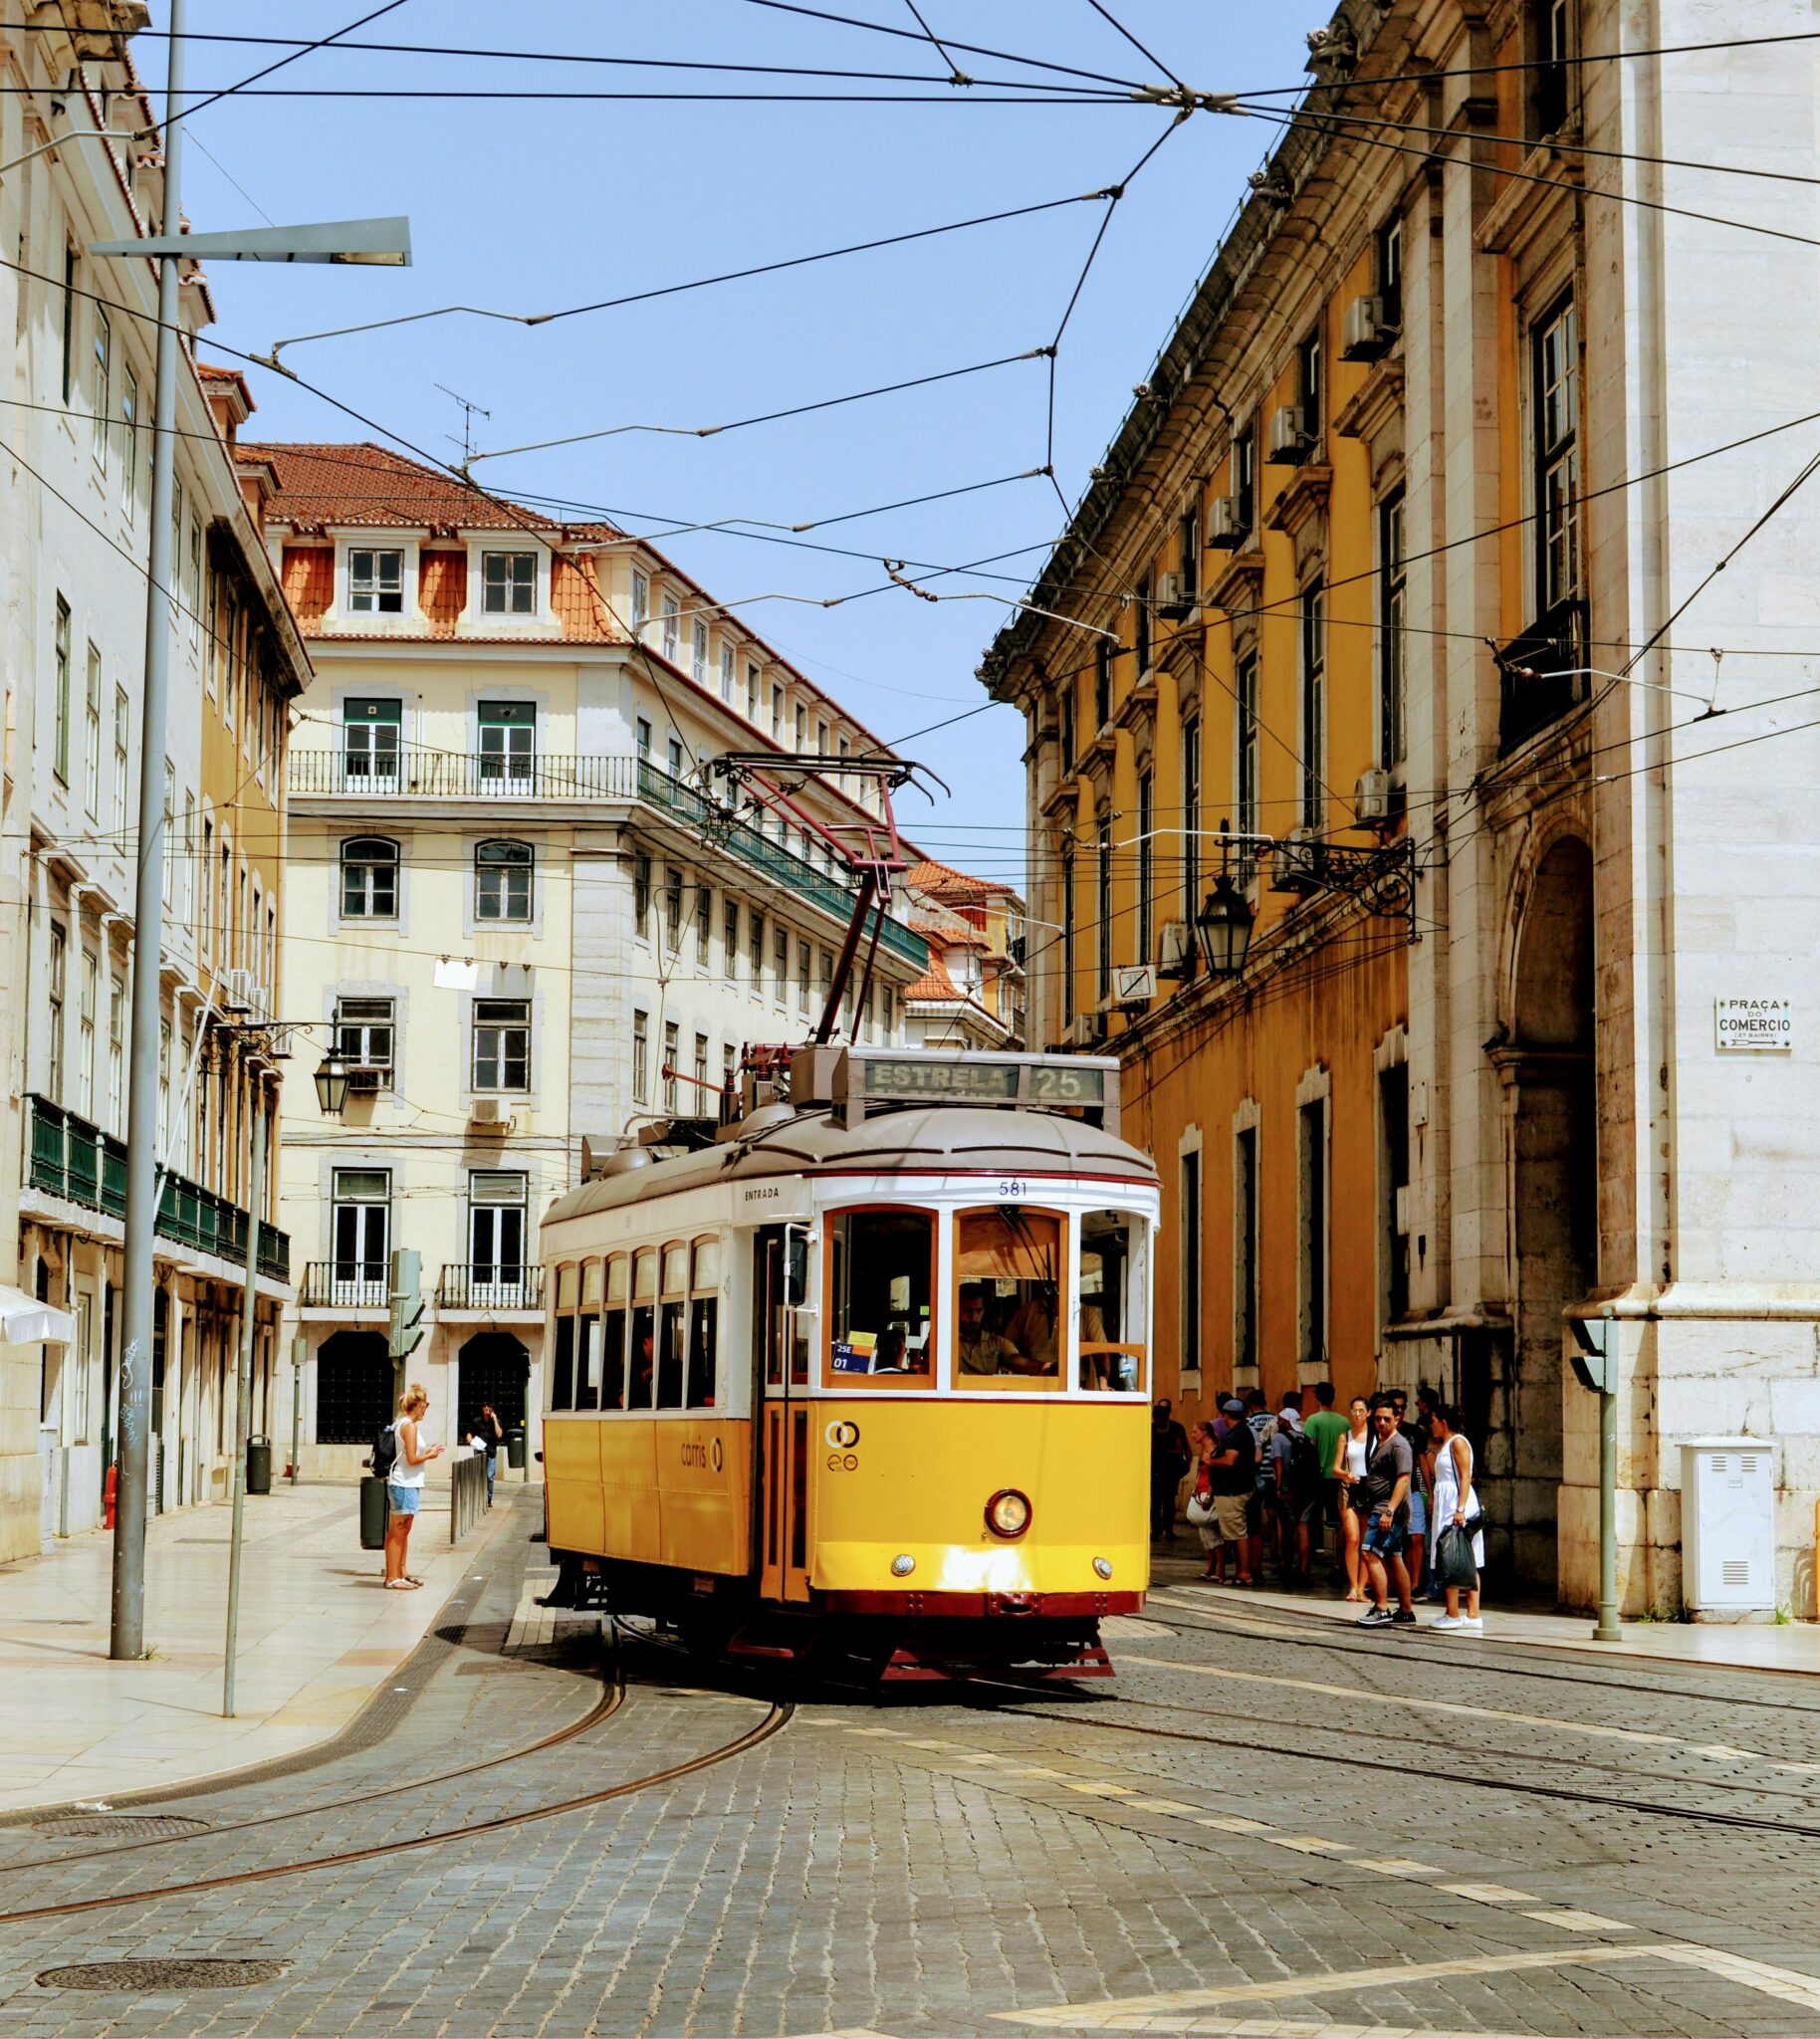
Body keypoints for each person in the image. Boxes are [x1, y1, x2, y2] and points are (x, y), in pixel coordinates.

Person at [1356, 1395, 1415, 1628]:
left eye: (1386, 1419)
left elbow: (1403, 1479)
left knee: (1370, 1554)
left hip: (1388, 1512)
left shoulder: (1399, 1445)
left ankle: (1381, 1608)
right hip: (1382, 1509)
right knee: (1394, 1557)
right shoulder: (1381, 1441)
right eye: (1378, 1418)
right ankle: (1406, 1611)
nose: (1381, 1423)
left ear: (1397, 1419)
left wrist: (1389, 1511)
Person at [1429, 1405, 1485, 1632]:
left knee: (1452, 1556)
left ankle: (1456, 1613)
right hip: (1449, 1503)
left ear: (1444, 1422)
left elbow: (1465, 1477)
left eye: (1433, 1420)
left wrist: (1460, 1509)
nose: (1431, 1425)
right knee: (1460, 1558)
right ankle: (1467, 1613)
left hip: (1456, 1504)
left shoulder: (1458, 1442)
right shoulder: (1445, 1444)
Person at [384, 1383, 444, 1590]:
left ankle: (401, 1573)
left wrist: (427, 1450)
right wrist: (430, 1455)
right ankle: (393, 1577)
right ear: (416, 1404)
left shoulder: (404, 1424)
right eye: (425, 1403)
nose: (426, 1407)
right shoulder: (408, 1426)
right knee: (398, 1531)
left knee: (403, 1530)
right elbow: (411, 1459)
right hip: (404, 1483)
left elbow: (409, 1454)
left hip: (407, 1482)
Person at [1302, 1382, 1350, 1577]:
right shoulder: (1345, 1422)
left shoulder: (1312, 1421)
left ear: (1317, 1398)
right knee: (1340, 1523)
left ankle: (1304, 1568)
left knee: (1303, 1521)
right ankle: (1339, 1564)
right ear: (1334, 1397)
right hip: (1338, 1478)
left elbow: (1309, 1450)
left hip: (1317, 1477)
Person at [1208, 1395, 1256, 1583]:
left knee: (1237, 1533)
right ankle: (1240, 1572)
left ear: (1226, 1415)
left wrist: (1210, 1461)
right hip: (1236, 1488)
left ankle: (1244, 1573)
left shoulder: (1237, 1435)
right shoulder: (1241, 1431)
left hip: (1233, 1492)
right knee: (1236, 1532)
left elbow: (1229, 1461)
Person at [1390, 1390, 1429, 1595]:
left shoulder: (1415, 1432)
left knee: (1417, 1538)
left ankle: (1414, 1584)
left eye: (1403, 1407)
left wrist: (1428, 1490)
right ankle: (1393, 1583)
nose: (1400, 1411)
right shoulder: (1380, 1430)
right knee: (1393, 1540)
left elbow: (1421, 1460)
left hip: (1412, 1491)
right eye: (1395, 1407)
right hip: (1389, 1493)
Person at [1336, 1395, 1371, 1602]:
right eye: (1354, 1410)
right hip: (1348, 1487)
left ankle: (1362, 1588)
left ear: (1368, 1413)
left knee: (1367, 1542)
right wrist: (1345, 1475)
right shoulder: (1345, 1436)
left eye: (1361, 1410)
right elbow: (1335, 1467)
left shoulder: (1375, 1437)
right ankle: (1352, 1586)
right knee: (1353, 1539)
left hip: (1369, 1489)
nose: (1357, 1414)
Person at [959, 1283, 1024, 1376]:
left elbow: (1018, 1361)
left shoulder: (995, 1343)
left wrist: (1043, 1367)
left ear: (984, 1311)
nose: (974, 1318)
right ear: (956, 1310)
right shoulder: (944, 1343)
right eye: (968, 1311)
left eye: (978, 1310)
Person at [1150, 1398, 1191, 1539]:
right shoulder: (1152, 1429)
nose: (1157, 1422)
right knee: (1155, 1501)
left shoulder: (1176, 1428)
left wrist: (1162, 1450)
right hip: (1155, 1470)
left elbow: (1181, 1449)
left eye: (1159, 1419)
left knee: (1168, 1501)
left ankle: (1168, 1529)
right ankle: (1156, 1529)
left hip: (1170, 1470)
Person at [1184, 1424, 1221, 1579]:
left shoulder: (1214, 1449)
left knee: (1215, 1534)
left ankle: (1220, 1569)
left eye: (1195, 1432)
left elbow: (1215, 1474)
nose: (1192, 1435)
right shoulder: (1203, 1449)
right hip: (1200, 1490)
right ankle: (1211, 1567)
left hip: (1208, 1492)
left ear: (1205, 1432)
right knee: (1205, 1534)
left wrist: (1209, 1496)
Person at [470, 1402, 504, 1507]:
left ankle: (489, 1499)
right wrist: (471, 1442)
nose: (488, 1412)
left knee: (489, 1477)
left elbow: (499, 1434)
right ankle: (479, 1497)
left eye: (490, 1410)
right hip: (479, 1452)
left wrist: (494, 1419)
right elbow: (469, 1433)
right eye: (486, 1410)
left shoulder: (496, 1421)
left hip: (491, 1453)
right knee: (479, 1476)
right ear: (483, 1409)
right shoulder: (476, 1421)